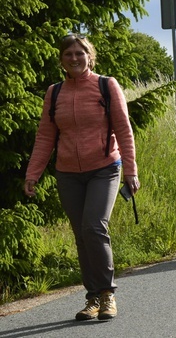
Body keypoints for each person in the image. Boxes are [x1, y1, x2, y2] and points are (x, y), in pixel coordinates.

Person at [24, 34, 139, 321]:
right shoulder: (55, 92)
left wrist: (131, 170)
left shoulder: (106, 85)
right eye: (68, 54)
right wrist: (33, 173)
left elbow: (124, 130)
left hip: (104, 168)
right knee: (81, 236)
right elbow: (45, 136)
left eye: (80, 53)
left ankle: (107, 294)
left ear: (90, 56)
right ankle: (92, 299)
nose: (74, 58)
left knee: (94, 227)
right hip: (68, 174)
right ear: (61, 59)